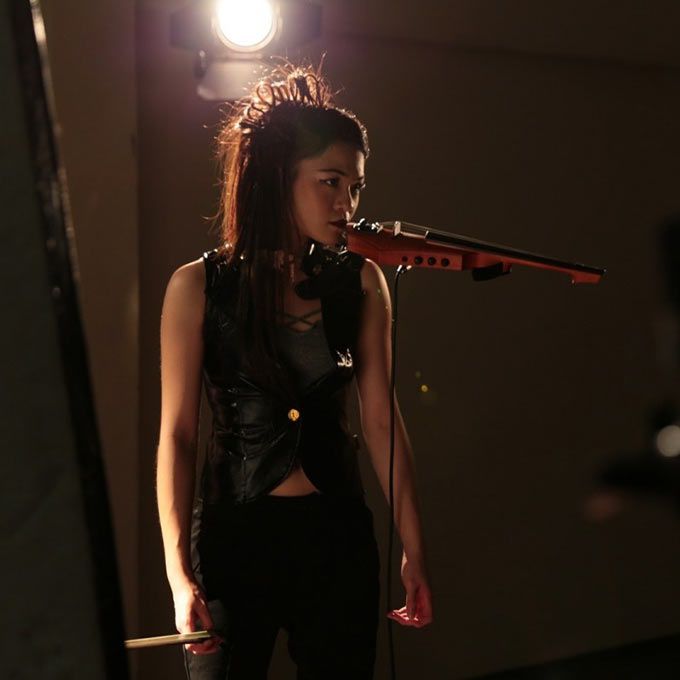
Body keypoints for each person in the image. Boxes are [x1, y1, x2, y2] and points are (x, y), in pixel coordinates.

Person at [156, 62, 433, 679]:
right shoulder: (197, 286)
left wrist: (414, 548)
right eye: (330, 182)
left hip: (336, 536)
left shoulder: (362, 281)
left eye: (356, 188)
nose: (346, 204)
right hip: (233, 538)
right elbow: (178, 435)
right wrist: (179, 574)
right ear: (280, 177)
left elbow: (381, 420)